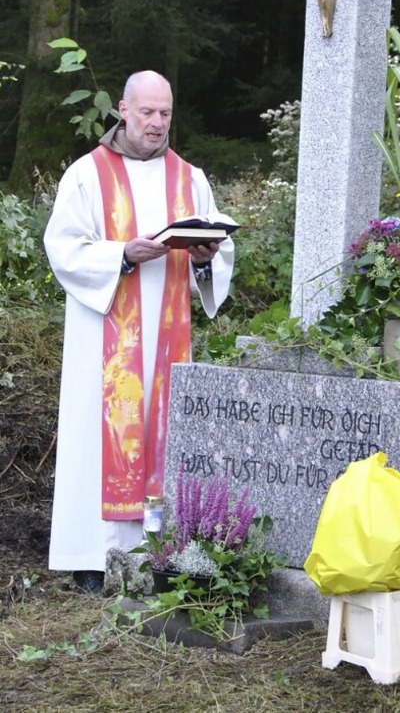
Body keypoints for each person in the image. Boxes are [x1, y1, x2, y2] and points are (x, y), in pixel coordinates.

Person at [44, 71, 234, 595]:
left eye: (165, 114)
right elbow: (63, 248)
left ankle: (160, 553)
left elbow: (218, 249)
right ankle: (93, 556)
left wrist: (204, 258)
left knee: (161, 432)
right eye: (147, 113)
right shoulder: (86, 175)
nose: (156, 124)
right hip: (105, 335)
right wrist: (122, 254)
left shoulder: (189, 178)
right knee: (101, 435)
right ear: (122, 111)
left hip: (168, 338)